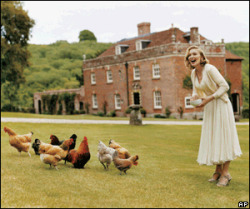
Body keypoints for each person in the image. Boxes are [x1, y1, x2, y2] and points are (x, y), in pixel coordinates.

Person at [184, 46, 242, 187]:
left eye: (195, 54)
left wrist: (208, 99)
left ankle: (226, 173)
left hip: (221, 105)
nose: (192, 56)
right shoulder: (193, 73)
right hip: (210, 108)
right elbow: (195, 91)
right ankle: (217, 170)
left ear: (202, 57)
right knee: (213, 137)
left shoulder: (210, 69)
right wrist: (194, 99)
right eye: (189, 55)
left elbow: (225, 87)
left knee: (223, 137)